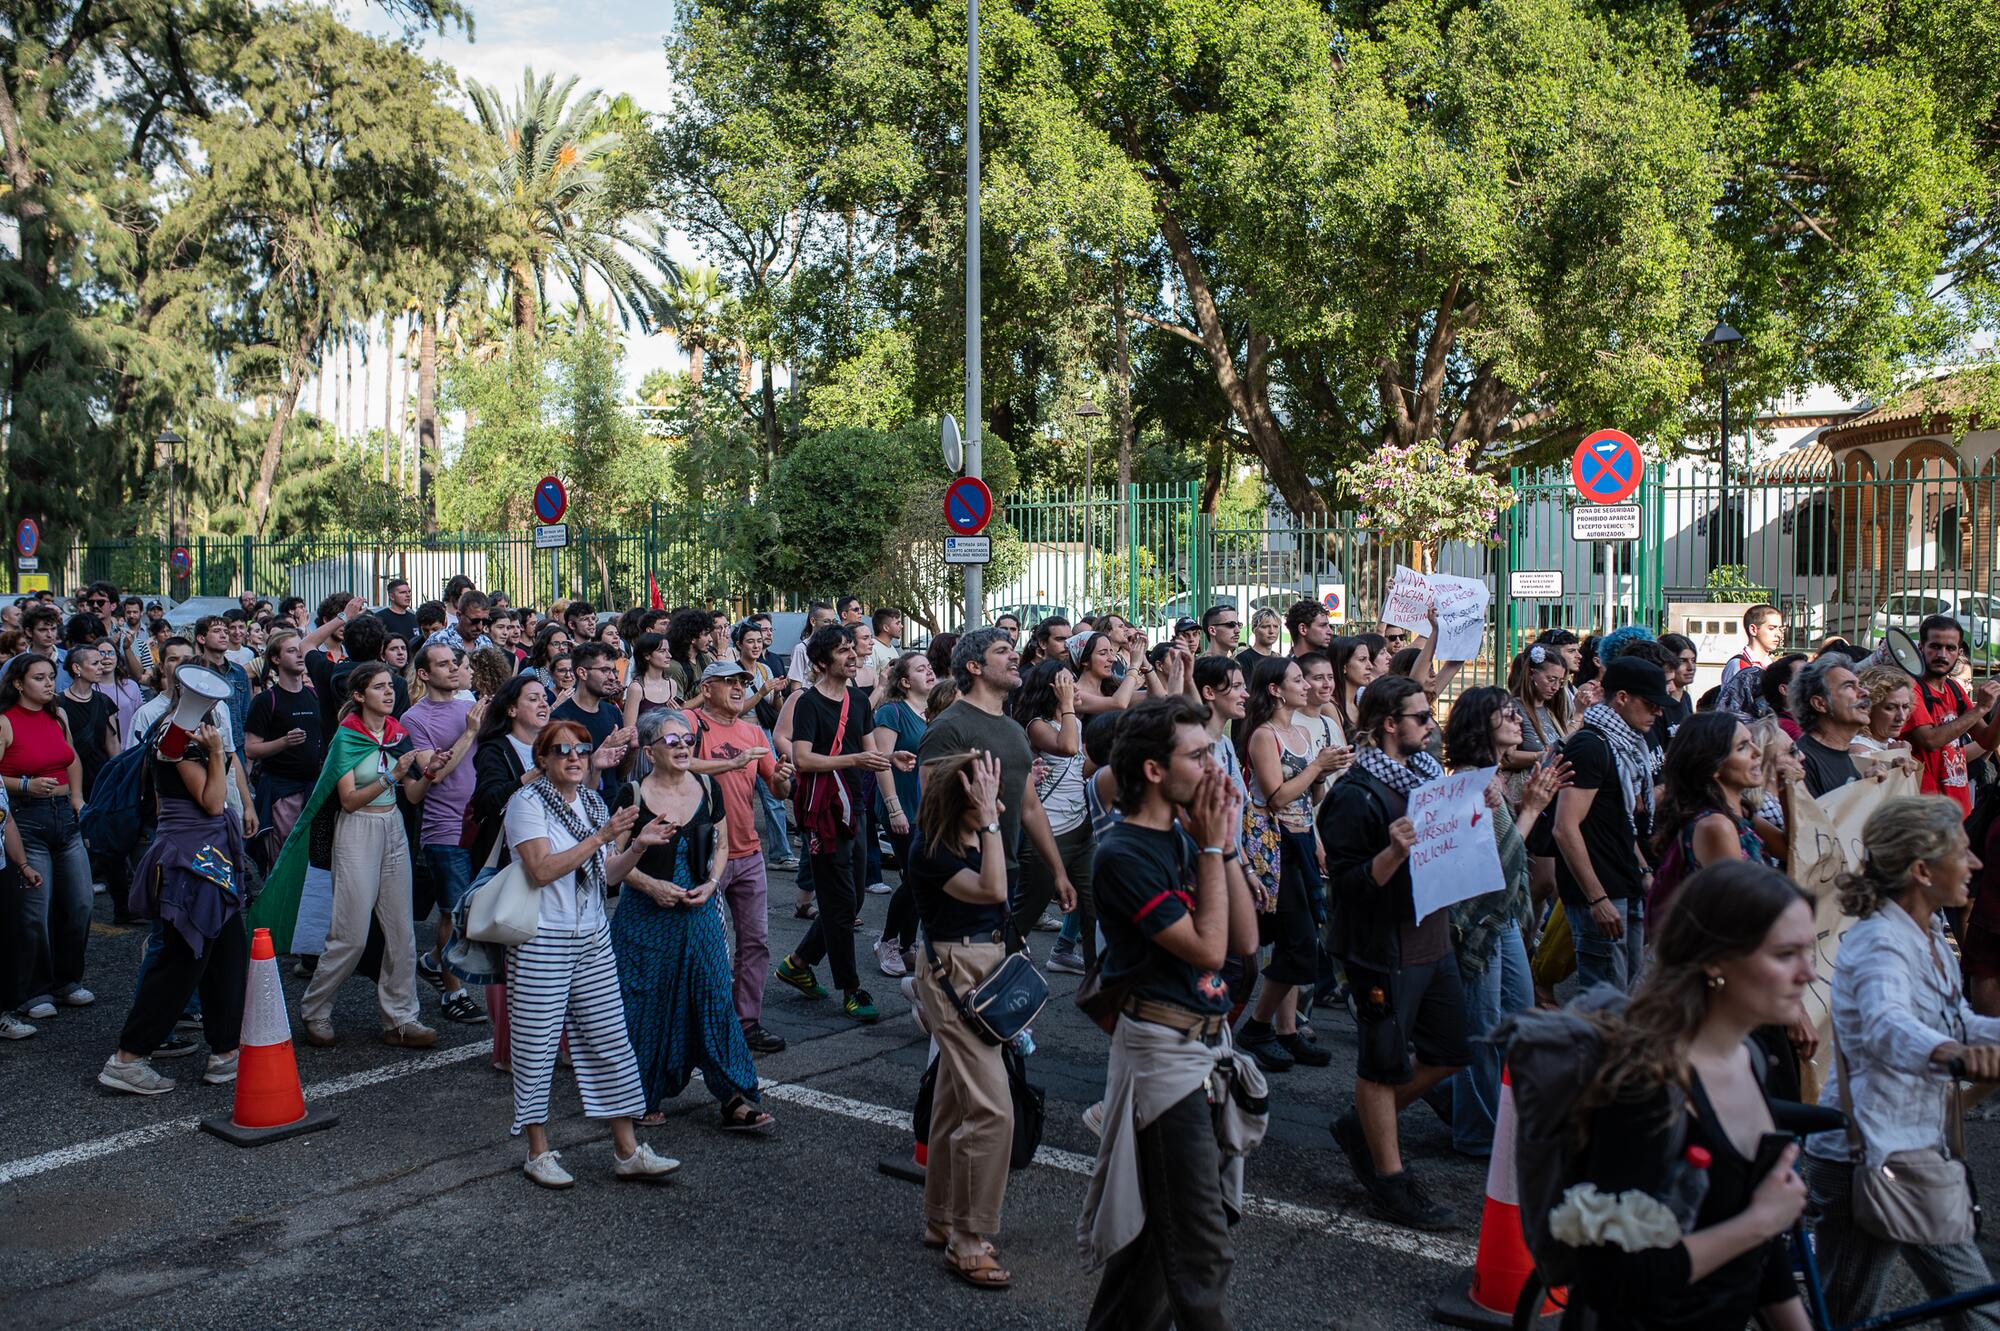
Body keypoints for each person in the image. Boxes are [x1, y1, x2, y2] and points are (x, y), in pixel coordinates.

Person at [1554, 860, 1814, 1331]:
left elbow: (1762, 1251)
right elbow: (1613, 1277)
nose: (1809, 973)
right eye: (1785, 954)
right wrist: (1758, 1222)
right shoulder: (1647, 1086)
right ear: (1715, 959)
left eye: (1808, 952)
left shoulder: (1751, 1058)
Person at [1081, 696, 1263, 1330]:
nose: (1215, 767)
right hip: (1165, 1059)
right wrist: (1211, 850)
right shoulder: (1124, 853)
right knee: (1199, 1245)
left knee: (1153, 1248)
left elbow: (1244, 944)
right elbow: (1209, 950)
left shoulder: (1190, 838)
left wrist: (1227, 847)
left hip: (1207, 1047)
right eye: (1199, 755)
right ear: (1155, 771)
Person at [1802, 796, 2000, 1328]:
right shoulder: (1879, 943)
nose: (1975, 863)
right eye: (1963, 852)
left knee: (1976, 1309)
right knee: (1845, 1316)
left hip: (1908, 1152)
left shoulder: (1928, 934)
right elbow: (1887, 1026)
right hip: (1860, 1159)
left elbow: (1952, 1019)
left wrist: (1971, 1041)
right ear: (1921, 869)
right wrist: (1955, 1056)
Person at [1320, 674, 1471, 1228]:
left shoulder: (1426, 779)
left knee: (1450, 1051)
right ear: (1388, 724)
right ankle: (1390, 1179)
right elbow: (1348, 887)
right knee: (1381, 1066)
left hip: (1433, 940)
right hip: (1384, 949)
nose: (1432, 727)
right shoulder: (1355, 795)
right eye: (1421, 718)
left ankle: (1362, 1125)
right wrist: (1393, 852)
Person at [503, 720, 680, 1187]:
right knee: (536, 1046)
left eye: (581, 749)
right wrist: (602, 837)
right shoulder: (526, 803)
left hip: (591, 935)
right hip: (540, 937)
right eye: (562, 750)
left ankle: (626, 1150)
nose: (575, 757)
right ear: (542, 759)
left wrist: (638, 845)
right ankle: (537, 1152)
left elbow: (608, 877)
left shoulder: (592, 801)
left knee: (609, 1039)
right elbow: (541, 869)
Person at [609, 709, 773, 1131]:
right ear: (649, 752)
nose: (683, 746)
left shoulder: (708, 785)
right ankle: (638, 1095)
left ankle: (737, 1095)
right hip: (646, 917)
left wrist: (713, 882)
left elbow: (720, 843)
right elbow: (611, 863)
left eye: (687, 740)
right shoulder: (630, 794)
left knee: (715, 998)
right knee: (646, 1004)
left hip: (698, 911)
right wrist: (651, 886)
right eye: (672, 741)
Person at [894, 748, 1016, 1285]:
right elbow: (994, 889)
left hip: (980, 966)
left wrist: (988, 816)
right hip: (955, 973)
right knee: (992, 1110)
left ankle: (942, 1219)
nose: (1000, 800)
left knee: (950, 1101)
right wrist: (989, 817)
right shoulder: (932, 852)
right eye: (988, 790)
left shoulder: (969, 834)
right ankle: (967, 1237)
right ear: (964, 801)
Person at [1440, 688, 1566, 1156]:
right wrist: (1531, 808)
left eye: (1516, 711)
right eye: (1506, 713)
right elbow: (1493, 861)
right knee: (1483, 1024)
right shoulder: (1471, 781)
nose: (1518, 719)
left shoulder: (1491, 777)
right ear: (1480, 723)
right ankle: (1476, 1131)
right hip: (1482, 921)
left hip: (1505, 917)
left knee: (1514, 1014)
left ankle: (1476, 1107)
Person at [96, 717, 249, 1095]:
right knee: (180, 964)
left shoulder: (191, 735)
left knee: (225, 958)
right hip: (190, 865)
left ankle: (225, 1052)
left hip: (209, 861)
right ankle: (128, 1059)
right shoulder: (173, 739)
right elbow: (213, 803)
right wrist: (216, 753)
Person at [295, 663, 435, 1050]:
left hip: (393, 828)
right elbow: (349, 801)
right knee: (351, 935)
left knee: (402, 932)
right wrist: (393, 775)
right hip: (357, 831)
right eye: (379, 687)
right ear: (359, 696)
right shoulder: (347, 738)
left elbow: (414, 795)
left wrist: (429, 772)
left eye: (391, 686)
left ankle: (401, 1018)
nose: (389, 693)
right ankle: (315, 1009)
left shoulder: (396, 735)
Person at [775, 625, 908, 1022]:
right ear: (821, 662)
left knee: (853, 900)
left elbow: (869, 751)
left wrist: (893, 758)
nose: (853, 656)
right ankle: (851, 988)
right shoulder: (809, 703)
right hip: (822, 813)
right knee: (838, 903)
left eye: (854, 648)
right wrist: (854, 761)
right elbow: (803, 759)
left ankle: (799, 962)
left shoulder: (858, 701)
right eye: (842, 651)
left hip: (855, 808)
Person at [921, 627, 1076, 960]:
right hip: (963, 873)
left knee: (995, 976)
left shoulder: (1015, 730)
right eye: (1002, 651)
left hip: (1005, 867)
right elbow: (931, 811)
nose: (1014, 656)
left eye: (1012, 650)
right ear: (975, 667)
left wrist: (1058, 872)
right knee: (960, 973)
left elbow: (1030, 807)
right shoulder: (949, 727)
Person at [1235, 656, 1347, 1074]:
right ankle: (1257, 1026)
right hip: (1274, 846)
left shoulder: (1302, 731)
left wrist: (1323, 774)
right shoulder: (1265, 736)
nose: (1308, 686)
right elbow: (1276, 798)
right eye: (1298, 680)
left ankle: (1286, 1031)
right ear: (1275, 690)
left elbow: (1308, 799)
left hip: (1301, 839)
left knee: (1293, 940)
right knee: (1299, 943)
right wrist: (1317, 767)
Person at [682, 659, 793, 1054]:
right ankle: (705, 1022)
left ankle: (745, 1022)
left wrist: (781, 780)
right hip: (702, 853)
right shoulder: (689, 724)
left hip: (747, 850)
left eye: (742, 682)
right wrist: (729, 764)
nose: (738, 687)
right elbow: (676, 763)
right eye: (728, 681)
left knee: (755, 941)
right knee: (706, 945)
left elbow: (776, 790)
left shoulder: (750, 730)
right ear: (707, 687)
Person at [1551, 656, 1669, 992]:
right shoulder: (1592, 746)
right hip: (1602, 892)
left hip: (1625, 883)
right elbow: (1565, 827)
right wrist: (1596, 899)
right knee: (1604, 1002)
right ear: (1621, 698)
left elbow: (1621, 821)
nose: (1657, 713)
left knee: (1627, 993)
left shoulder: (1627, 744)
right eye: (1650, 704)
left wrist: (1644, 872)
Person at [0, 653, 94, 1023]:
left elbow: (71, 759)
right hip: (26, 821)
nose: (48, 683)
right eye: (39, 677)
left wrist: (77, 798)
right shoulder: (5, 722)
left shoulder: (58, 715)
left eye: (51, 676)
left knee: (82, 902)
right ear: (19, 684)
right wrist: (24, 784)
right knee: (35, 912)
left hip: (64, 821)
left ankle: (67, 981)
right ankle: (34, 990)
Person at [401, 642, 488, 1025]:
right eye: (443, 665)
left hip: (481, 820)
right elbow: (431, 773)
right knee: (452, 912)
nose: (454, 669)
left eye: (456, 663)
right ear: (424, 673)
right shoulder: (414, 719)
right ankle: (453, 994)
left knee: (478, 911)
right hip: (444, 825)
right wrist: (469, 733)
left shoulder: (469, 706)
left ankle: (434, 960)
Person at [1011, 658, 1091, 960]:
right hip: (1048, 827)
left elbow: (1078, 764)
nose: (1075, 687)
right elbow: (1068, 747)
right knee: (1029, 909)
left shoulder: (1076, 722)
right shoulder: (1037, 725)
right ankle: (999, 964)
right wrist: (1068, 706)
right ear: (1053, 690)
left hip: (1079, 825)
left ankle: (1094, 978)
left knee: (1093, 902)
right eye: (1068, 683)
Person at [870, 650, 934, 978]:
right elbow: (882, 762)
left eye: (930, 667)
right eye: (922, 669)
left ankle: (908, 944)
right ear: (906, 681)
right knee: (916, 877)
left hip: (929, 810)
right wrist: (894, 808)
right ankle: (888, 942)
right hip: (901, 808)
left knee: (920, 879)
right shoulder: (892, 712)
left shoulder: (936, 713)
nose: (931, 673)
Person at [1901, 614, 2000, 816]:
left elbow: (1988, 741)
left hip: (1958, 809)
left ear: (1959, 652)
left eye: (1950, 648)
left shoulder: (1954, 689)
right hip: (1923, 812)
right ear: (1921, 648)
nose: (1942, 655)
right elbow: (1929, 740)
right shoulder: (1911, 689)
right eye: (1935, 646)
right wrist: (1980, 708)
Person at [553, 641, 637, 803]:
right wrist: (601, 753)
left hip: (614, 804)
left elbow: (619, 773)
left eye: (613, 670)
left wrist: (632, 750)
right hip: (581, 808)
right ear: (582, 673)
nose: (612, 677)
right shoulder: (560, 719)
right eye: (605, 670)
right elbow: (562, 780)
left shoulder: (612, 712)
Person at [1788, 656, 1865, 797]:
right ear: (1820, 704)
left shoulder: (1841, 754)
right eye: (1849, 686)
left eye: (1860, 685)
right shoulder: (1802, 761)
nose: (1864, 692)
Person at [1070, 630, 1141, 715]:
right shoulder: (1075, 694)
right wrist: (1134, 665)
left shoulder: (1112, 688)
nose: (1112, 659)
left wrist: (1141, 654)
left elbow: (1157, 696)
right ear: (1085, 660)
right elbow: (1118, 704)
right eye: (1103, 653)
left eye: (1111, 652)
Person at [1853, 665, 1917, 759]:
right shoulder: (1859, 750)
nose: (1901, 717)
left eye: (1905, 707)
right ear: (1868, 709)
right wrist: (1896, 755)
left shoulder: (1891, 743)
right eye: (1890, 708)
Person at [623, 631, 681, 731]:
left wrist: (677, 715)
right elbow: (629, 730)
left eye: (668, 651)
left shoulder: (672, 684)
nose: (669, 655)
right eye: (662, 651)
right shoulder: (637, 688)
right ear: (647, 655)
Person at [1721, 602, 1787, 684]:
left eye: (1780, 628)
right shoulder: (1739, 665)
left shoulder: (1771, 665)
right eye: (1771, 628)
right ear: (1753, 630)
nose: (1778, 634)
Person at [1332, 633, 1384, 738]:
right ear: (1344, 666)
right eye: (1362, 660)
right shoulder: (1331, 707)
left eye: (1369, 659)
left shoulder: (1362, 704)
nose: (1369, 666)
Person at [1235, 607, 1283, 673]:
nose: (1272, 631)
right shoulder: (1243, 659)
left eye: (1275, 626)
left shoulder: (1279, 659)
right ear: (1254, 629)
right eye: (1265, 626)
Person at [376, 577, 418, 651]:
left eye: (409, 592)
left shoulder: (415, 618)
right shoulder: (380, 618)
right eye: (403, 592)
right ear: (392, 596)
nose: (408, 595)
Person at [869, 607, 903, 672]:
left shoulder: (892, 647)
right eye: (897, 623)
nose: (901, 626)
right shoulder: (872, 648)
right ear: (886, 628)